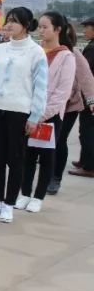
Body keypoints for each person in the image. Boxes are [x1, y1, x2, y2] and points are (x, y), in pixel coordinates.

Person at [0, 7, 48, 224]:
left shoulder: (36, 52)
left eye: (14, 21)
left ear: (26, 25)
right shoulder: (1, 49)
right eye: (8, 20)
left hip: (20, 111)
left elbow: (41, 86)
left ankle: (9, 204)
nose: (9, 25)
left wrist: (35, 116)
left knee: (15, 160)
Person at [13, 12, 76, 213]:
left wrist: (41, 114)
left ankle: (38, 196)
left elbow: (62, 93)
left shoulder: (66, 56)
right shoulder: (36, 52)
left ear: (58, 29)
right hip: (28, 112)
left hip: (51, 116)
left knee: (46, 156)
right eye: (39, 27)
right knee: (27, 155)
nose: (41, 31)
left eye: (45, 27)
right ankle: (24, 193)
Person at [51, 24, 94, 193]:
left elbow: (87, 79)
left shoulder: (73, 55)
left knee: (59, 140)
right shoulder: (40, 52)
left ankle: (55, 178)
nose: (41, 31)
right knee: (44, 142)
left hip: (69, 106)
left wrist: (91, 102)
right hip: (46, 104)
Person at [69, 17, 94, 179]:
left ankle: (90, 166)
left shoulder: (92, 49)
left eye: (87, 27)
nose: (84, 30)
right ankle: (84, 160)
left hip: (89, 97)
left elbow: (87, 74)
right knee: (84, 131)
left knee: (87, 132)